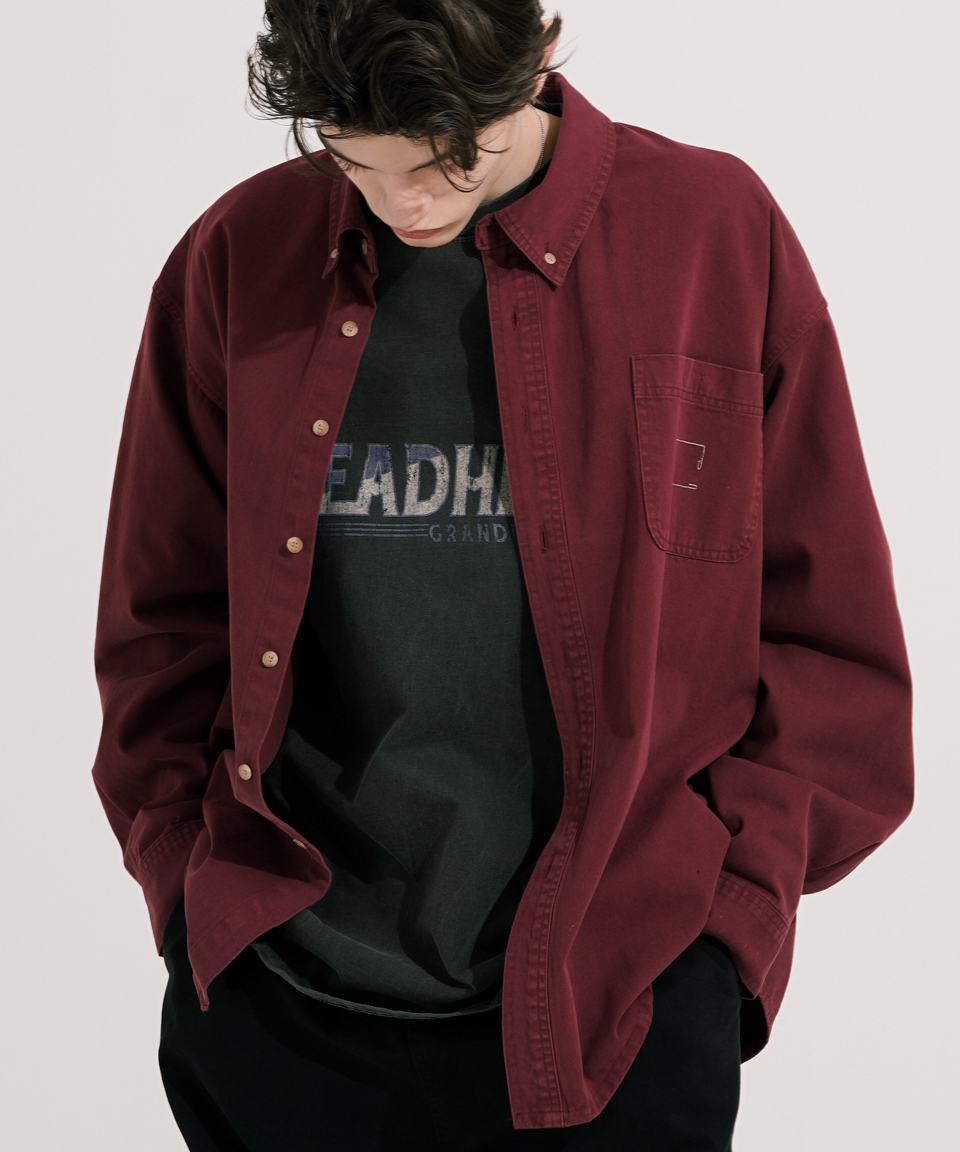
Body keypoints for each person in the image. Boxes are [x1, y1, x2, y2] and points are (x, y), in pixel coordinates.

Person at [91, 2, 914, 1149]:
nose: (407, 203)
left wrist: (726, 926)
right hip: (288, 1011)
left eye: (446, 160)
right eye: (357, 160)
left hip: (620, 1002)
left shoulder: (713, 235)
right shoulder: (238, 256)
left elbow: (829, 632)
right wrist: (192, 897)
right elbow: (159, 622)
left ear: (529, 62)